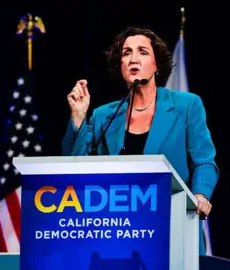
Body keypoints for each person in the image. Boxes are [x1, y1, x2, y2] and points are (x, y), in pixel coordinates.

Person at [61, 26, 219, 255]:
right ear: (120, 66)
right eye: (126, 53)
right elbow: (76, 166)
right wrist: (78, 118)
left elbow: (204, 161)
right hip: (118, 232)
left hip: (172, 228)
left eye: (143, 52)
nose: (133, 59)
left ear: (157, 65)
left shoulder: (186, 105)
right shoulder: (104, 115)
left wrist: (200, 196)